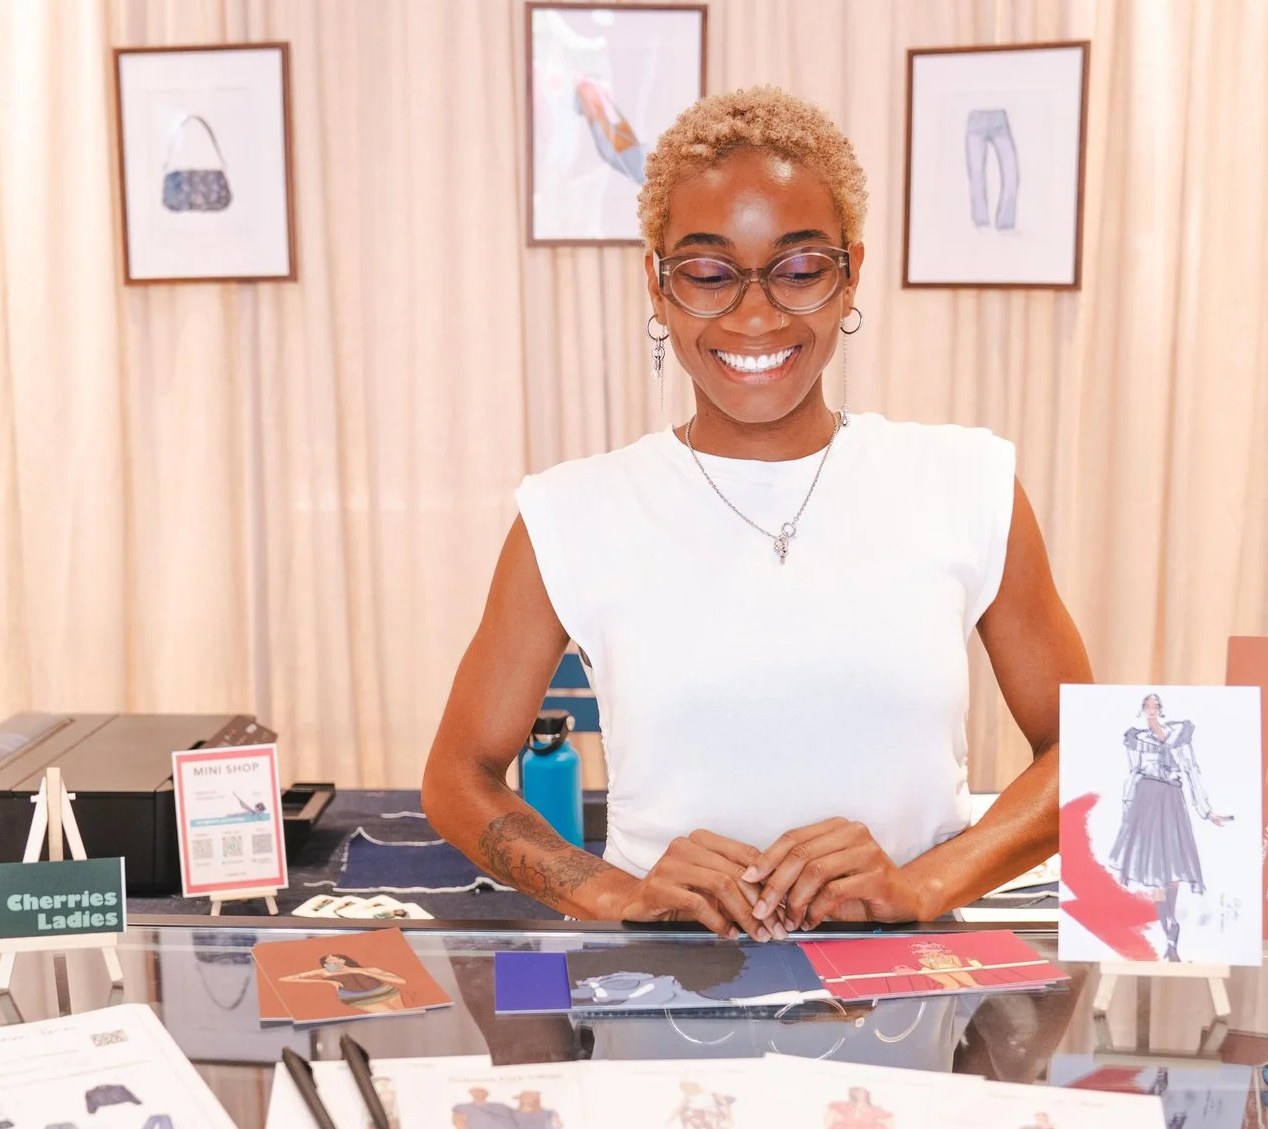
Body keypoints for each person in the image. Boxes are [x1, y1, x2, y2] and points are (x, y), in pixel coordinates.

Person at [423, 86, 1093, 940]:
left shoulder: (968, 482)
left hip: (908, 1005)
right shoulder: (572, 512)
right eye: (706, 273)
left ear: (851, 273)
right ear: (657, 288)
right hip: (663, 1001)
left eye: (800, 269)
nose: (755, 313)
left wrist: (922, 885)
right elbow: (457, 774)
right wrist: (609, 893)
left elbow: (1087, 753)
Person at [1109, 694, 1232, 961]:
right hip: (1146, 800)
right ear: (1141, 709)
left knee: (1174, 868)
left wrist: (1206, 811)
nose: (1151, 711)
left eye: (1156, 706)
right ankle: (1170, 932)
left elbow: (1191, 771)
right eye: (1147, 706)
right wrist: (1127, 813)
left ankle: (1171, 928)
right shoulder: (1136, 740)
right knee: (1154, 872)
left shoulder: (1180, 737)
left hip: (1172, 801)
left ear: (1162, 710)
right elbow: (1134, 774)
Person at [277, 952, 410, 1014]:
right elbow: (285, 979)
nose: (330, 963)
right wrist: (328, 983)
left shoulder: (366, 969)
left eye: (334, 960)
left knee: (406, 1014)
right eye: (327, 962)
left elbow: (401, 981)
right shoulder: (324, 972)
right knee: (390, 1015)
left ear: (343, 961)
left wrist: (364, 972)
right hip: (358, 998)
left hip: (386, 991)